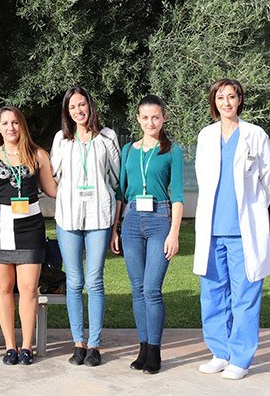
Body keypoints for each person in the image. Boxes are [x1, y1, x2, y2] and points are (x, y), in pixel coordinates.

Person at [193, 79, 270, 380]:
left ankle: (240, 358)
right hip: (212, 228)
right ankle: (220, 352)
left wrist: (253, 209)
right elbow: (204, 179)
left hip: (244, 230)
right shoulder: (206, 135)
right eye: (220, 97)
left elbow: (268, 179)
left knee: (245, 294)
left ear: (240, 100)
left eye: (231, 97)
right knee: (213, 293)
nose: (226, 102)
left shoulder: (255, 135)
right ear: (213, 102)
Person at [0, 106, 57, 365]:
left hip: (30, 229)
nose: (10, 128)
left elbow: (52, 190)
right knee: (3, 288)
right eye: (5, 123)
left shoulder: (38, 155)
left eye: (15, 122)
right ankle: (9, 346)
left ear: (22, 125)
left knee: (28, 289)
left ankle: (26, 346)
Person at [113, 94, 184, 375]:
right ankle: (142, 347)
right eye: (145, 117)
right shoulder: (129, 150)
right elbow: (120, 192)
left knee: (152, 289)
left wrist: (174, 233)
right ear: (138, 119)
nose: (150, 122)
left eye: (156, 117)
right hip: (131, 221)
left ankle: (155, 350)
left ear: (163, 118)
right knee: (137, 289)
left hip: (159, 220)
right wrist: (115, 228)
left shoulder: (172, 151)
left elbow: (178, 195)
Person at [50, 87, 121, 367]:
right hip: (68, 218)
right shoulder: (61, 139)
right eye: (72, 107)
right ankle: (77, 343)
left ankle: (94, 345)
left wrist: (116, 224)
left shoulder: (107, 138)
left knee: (95, 281)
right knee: (74, 282)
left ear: (90, 106)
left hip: (99, 218)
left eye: (82, 105)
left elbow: (116, 180)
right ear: (67, 113)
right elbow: (54, 175)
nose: (78, 111)